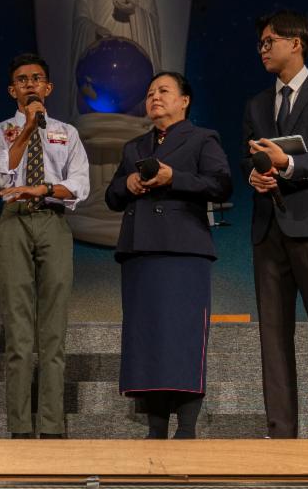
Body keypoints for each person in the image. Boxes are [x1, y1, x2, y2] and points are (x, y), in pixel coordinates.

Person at [104, 72, 232, 439]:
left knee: (182, 336)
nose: (155, 98)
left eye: (163, 91)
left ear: (184, 100)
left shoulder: (202, 139)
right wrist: (127, 183)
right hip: (140, 252)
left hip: (182, 250)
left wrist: (174, 177)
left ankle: (187, 427)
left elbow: (221, 184)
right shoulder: (134, 147)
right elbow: (112, 197)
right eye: (149, 93)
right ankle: (156, 426)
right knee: (147, 339)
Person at [242, 10, 308, 440]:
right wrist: (255, 175)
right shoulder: (256, 104)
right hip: (268, 230)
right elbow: (248, 157)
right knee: (273, 335)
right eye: (260, 43)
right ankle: (280, 430)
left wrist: (287, 163)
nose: (263, 49)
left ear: (296, 43)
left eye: (270, 41)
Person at [0, 53, 90, 439]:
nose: (30, 84)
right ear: (12, 90)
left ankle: (51, 426)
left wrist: (43, 188)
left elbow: (79, 185)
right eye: (22, 80)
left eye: (37, 79)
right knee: (18, 328)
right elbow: (1, 176)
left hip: (52, 220)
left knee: (53, 329)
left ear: (48, 87)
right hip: (14, 221)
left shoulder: (67, 132)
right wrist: (28, 128)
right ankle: (19, 428)